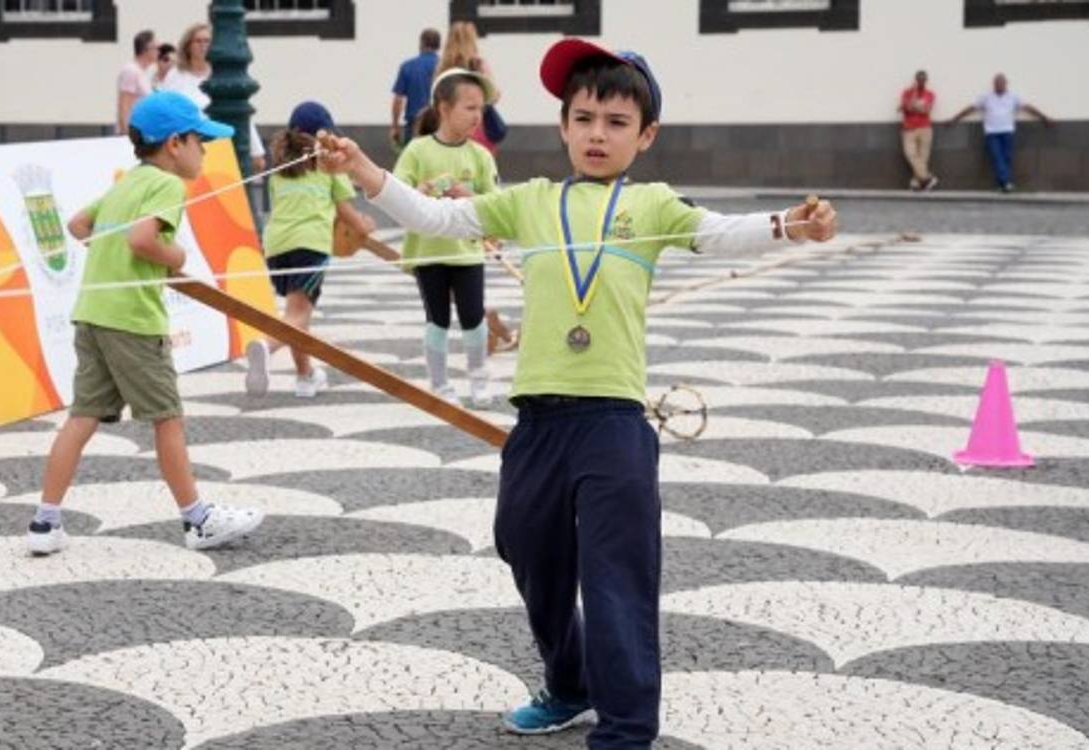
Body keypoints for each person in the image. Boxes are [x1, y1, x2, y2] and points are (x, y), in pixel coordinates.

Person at [317, 38, 837, 748]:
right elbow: (439, 222)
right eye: (584, 118)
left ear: (645, 135)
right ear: (562, 126)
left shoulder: (651, 204)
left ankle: (624, 731)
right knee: (524, 547)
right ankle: (569, 685)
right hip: (538, 419)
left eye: (616, 122)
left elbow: (719, 234)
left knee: (617, 577)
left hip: (613, 423)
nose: (598, 134)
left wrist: (787, 225)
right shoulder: (532, 201)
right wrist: (365, 171)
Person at [27, 91, 266, 556]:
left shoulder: (128, 181)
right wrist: (173, 255)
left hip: (92, 315)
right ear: (175, 143)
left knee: (81, 418)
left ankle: (45, 521)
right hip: (133, 320)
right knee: (168, 419)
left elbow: (78, 225)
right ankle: (197, 520)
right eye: (201, 140)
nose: (206, 150)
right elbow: (142, 240)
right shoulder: (166, 186)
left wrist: (113, 255)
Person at [243, 101, 373, 399]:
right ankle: (266, 346)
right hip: (310, 244)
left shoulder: (280, 168)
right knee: (298, 314)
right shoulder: (329, 165)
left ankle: (306, 377)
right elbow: (346, 211)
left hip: (276, 247)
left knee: (297, 312)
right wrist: (365, 225)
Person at [394, 68, 499, 407]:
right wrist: (421, 190)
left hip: (467, 252)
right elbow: (397, 193)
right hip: (428, 252)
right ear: (443, 108)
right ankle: (439, 385)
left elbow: (495, 202)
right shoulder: (417, 150)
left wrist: (468, 196)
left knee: (473, 316)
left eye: (480, 108)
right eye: (469, 108)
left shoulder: (480, 156)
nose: (477, 116)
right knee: (436, 318)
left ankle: (479, 378)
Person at [161, 23, 266, 171]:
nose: (203, 45)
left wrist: (256, 151)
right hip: (185, 149)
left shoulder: (221, 76)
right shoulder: (175, 76)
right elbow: (162, 110)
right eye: (198, 41)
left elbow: (240, 112)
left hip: (220, 147)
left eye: (207, 41)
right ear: (188, 45)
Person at [948, 73, 1053, 193]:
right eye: (997, 83)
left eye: (1001, 83)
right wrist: (955, 119)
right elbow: (971, 108)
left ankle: (1002, 183)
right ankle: (1007, 182)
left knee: (1007, 158)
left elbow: (1028, 108)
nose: (999, 86)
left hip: (1008, 131)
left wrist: (1044, 118)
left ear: (1006, 84)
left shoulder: (1013, 96)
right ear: (994, 84)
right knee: (997, 157)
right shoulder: (986, 97)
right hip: (992, 133)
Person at [435, 21, 503, 153]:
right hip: (476, 127)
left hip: (449, 126)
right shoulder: (478, 65)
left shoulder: (443, 67)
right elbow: (494, 96)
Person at [390, 28, 440, 149]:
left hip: (414, 127)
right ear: (438, 45)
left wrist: (395, 127)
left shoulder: (408, 66)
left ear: (421, 43)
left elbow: (398, 100)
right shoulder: (444, 66)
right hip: (441, 125)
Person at [899, 70, 939, 191]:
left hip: (925, 128)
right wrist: (915, 98)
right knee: (910, 154)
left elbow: (926, 110)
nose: (921, 82)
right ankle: (928, 178)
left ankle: (916, 183)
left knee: (923, 158)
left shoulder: (930, 94)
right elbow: (906, 107)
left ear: (926, 81)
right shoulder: (907, 93)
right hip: (908, 129)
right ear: (915, 80)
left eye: (923, 79)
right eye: (919, 79)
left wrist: (914, 107)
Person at [116, 29, 157, 135]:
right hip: (133, 135)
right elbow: (124, 105)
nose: (158, 52)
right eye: (156, 48)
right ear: (146, 49)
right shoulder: (131, 71)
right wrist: (125, 135)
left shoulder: (143, 73)